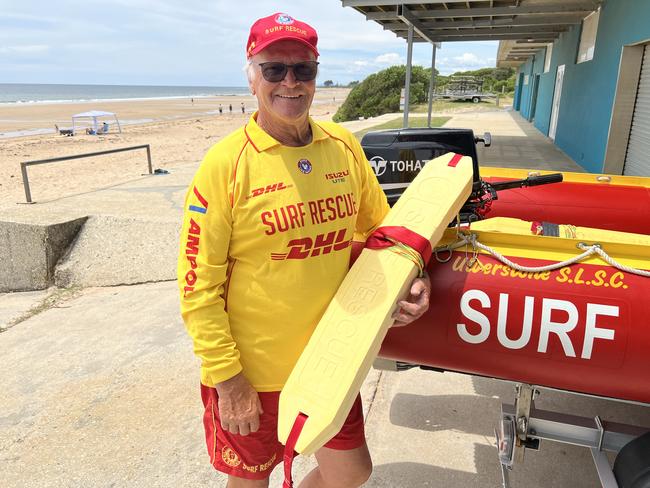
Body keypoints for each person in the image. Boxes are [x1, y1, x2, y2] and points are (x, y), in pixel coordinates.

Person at [178, 12, 430, 488]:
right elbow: (197, 285)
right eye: (274, 69)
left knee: (352, 472)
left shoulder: (343, 147)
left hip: (331, 358)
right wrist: (227, 380)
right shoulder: (225, 166)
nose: (290, 82)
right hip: (252, 371)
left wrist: (415, 278)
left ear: (317, 76)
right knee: (252, 480)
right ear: (252, 78)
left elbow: (385, 230)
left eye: (303, 70)